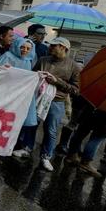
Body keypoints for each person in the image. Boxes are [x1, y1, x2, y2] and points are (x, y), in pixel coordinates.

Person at [34, 37, 81, 172]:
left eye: (54, 46)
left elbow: (76, 90)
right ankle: (26, 148)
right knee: (32, 124)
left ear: (64, 48)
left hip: (57, 102)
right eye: (51, 45)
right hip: (38, 98)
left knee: (51, 130)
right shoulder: (43, 59)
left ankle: (46, 156)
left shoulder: (73, 66)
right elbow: (32, 75)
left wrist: (57, 81)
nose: (50, 48)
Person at [0, 38, 38, 159]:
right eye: (22, 47)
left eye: (28, 48)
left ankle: (0, 152)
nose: (25, 50)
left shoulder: (28, 61)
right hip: (4, 96)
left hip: (17, 99)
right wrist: (4, 69)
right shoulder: (7, 56)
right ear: (16, 46)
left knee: (10, 125)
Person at [65, 106, 106, 178]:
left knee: (80, 132)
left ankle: (71, 155)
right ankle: (85, 163)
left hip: (91, 108)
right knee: (96, 139)